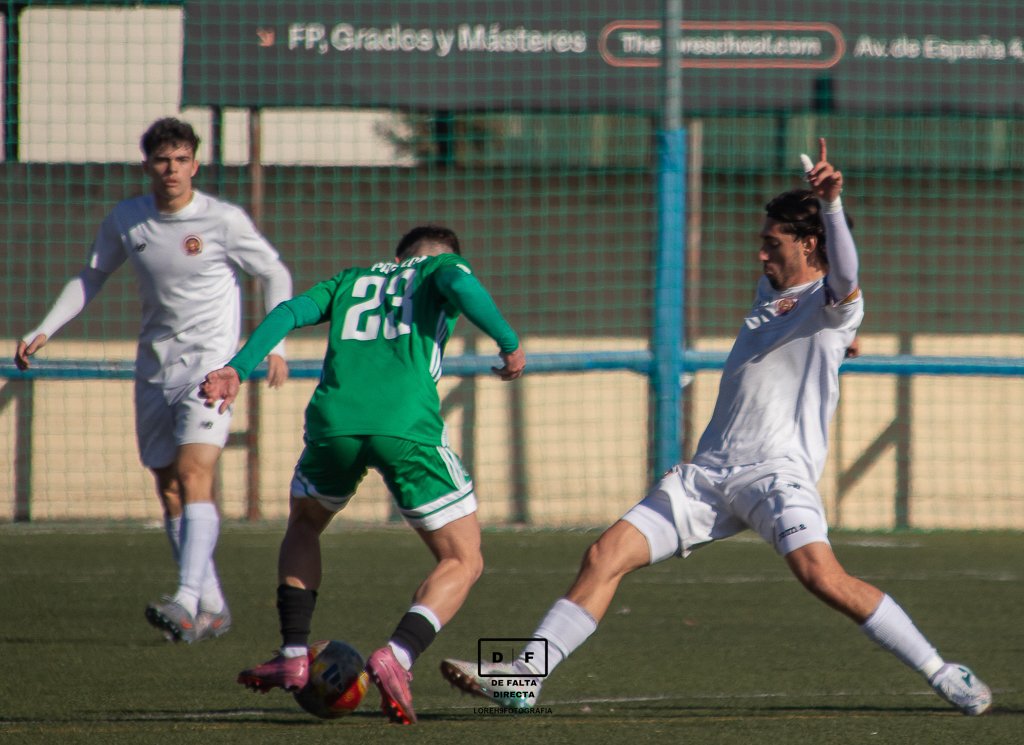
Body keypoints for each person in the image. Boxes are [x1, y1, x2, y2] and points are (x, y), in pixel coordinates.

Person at [440, 139, 993, 716]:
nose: (760, 253)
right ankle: (525, 677)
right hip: (707, 476)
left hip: (775, 473)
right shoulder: (772, 291)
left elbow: (846, 273)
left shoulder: (835, 304)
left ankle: (942, 671)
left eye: (772, 243)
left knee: (822, 577)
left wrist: (832, 205)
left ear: (809, 245)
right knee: (604, 554)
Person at [200, 224, 525, 724]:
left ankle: (293, 654)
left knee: (305, 525)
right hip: (405, 426)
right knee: (464, 558)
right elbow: (462, 285)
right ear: (439, 256)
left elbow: (288, 312)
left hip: (334, 425)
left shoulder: (350, 280)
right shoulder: (441, 268)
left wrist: (237, 369)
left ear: (397, 258)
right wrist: (509, 342)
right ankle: (397, 655)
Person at [14, 117, 293, 644]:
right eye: (163, 160)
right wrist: (45, 328)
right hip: (154, 369)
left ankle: (185, 600)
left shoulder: (222, 220)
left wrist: (274, 345)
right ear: (147, 165)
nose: (172, 169)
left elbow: (273, 272)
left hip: (211, 370)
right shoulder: (128, 219)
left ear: (195, 165)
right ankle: (212, 606)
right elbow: (92, 275)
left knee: (193, 472)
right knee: (167, 485)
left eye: (182, 159)